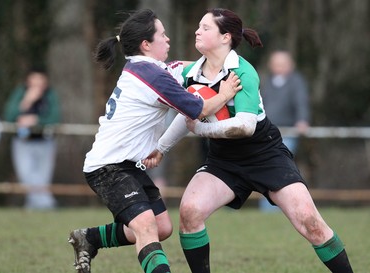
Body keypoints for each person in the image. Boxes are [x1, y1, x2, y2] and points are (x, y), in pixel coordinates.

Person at [144, 8, 353, 273]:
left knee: (311, 223)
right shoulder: (191, 75)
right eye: (198, 26)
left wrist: (201, 130)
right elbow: (188, 116)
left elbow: (245, 126)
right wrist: (161, 148)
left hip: (265, 154)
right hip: (224, 159)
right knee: (190, 211)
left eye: (205, 28)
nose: (197, 31)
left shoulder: (243, 72)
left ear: (225, 37)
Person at [67, 9, 241, 273]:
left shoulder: (145, 68)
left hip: (126, 165)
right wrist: (225, 91)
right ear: (146, 44)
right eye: (162, 35)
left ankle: (89, 239)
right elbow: (199, 110)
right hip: (107, 167)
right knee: (146, 226)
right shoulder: (152, 77)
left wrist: (215, 61)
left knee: (162, 228)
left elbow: (183, 67)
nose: (168, 39)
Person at [3, 68, 60, 210]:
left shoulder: (49, 95)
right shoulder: (21, 93)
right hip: (23, 142)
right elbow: (9, 116)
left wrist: (37, 120)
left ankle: (33, 207)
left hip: (45, 142)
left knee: (42, 178)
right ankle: (48, 205)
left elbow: (55, 118)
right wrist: (27, 101)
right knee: (27, 176)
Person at [261, 49, 310, 154]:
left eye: (282, 64)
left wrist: (302, 119)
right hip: (267, 131)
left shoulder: (296, 82)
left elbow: (301, 102)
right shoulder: (265, 81)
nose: (279, 67)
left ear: (291, 65)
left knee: (281, 158)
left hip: (287, 131)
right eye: (276, 64)